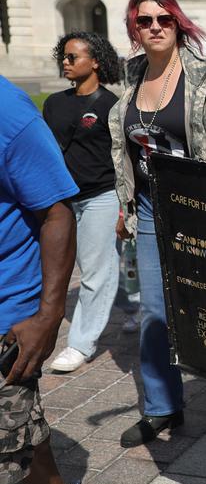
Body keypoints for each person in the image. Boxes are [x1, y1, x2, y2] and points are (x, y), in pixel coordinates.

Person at [108, 0, 206, 448]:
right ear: (134, 29)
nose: (155, 26)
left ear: (178, 24)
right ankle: (162, 407)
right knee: (155, 311)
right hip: (151, 209)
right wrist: (125, 203)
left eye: (164, 19)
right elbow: (125, 149)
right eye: (144, 21)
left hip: (197, 209)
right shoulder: (132, 75)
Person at [0, 76, 86, 484]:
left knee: (11, 435)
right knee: (17, 428)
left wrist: (49, 315)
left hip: (7, 310)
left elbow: (56, 210)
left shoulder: (7, 112)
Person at [42, 32, 124, 373]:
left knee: (95, 271)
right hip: (61, 201)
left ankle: (81, 344)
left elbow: (123, 160)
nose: (65, 61)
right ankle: (132, 307)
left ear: (95, 62)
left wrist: (124, 206)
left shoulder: (112, 106)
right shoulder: (54, 103)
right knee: (83, 268)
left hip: (100, 196)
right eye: (63, 55)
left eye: (73, 56)